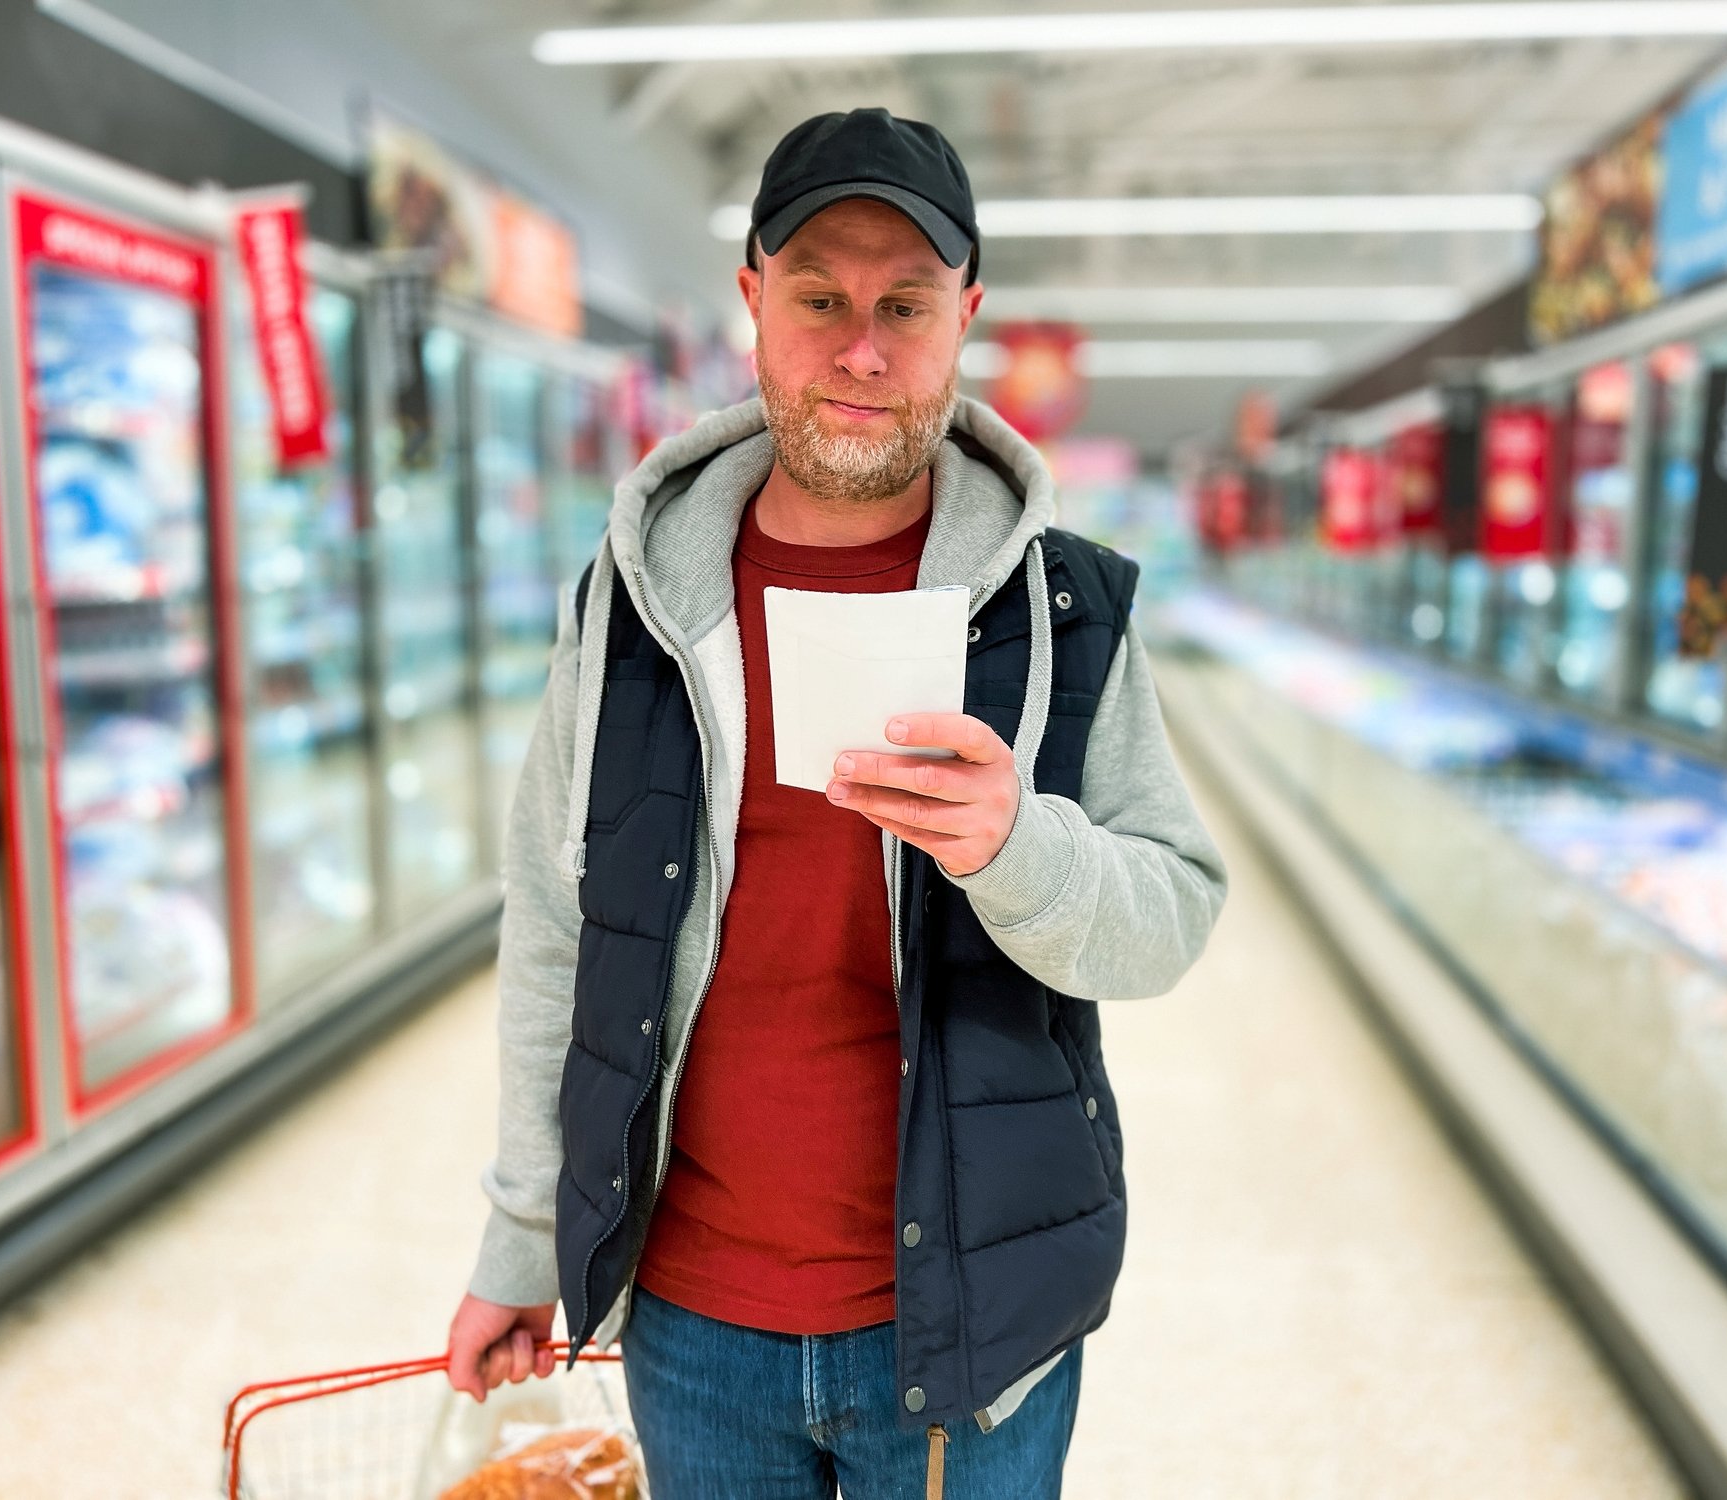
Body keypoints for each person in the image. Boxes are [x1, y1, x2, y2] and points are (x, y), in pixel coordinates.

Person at [445, 106, 1226, 1499]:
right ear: (751, 300)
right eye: (819, 299)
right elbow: (559, 928)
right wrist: (519, 1243)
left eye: (905, 306)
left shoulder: (1068, 609)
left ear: (967, 316)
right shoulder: (632, 604)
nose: (862, 352)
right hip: (690, 1320)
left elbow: (1171, 914)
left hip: (975, 1330)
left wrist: (1018, 849)